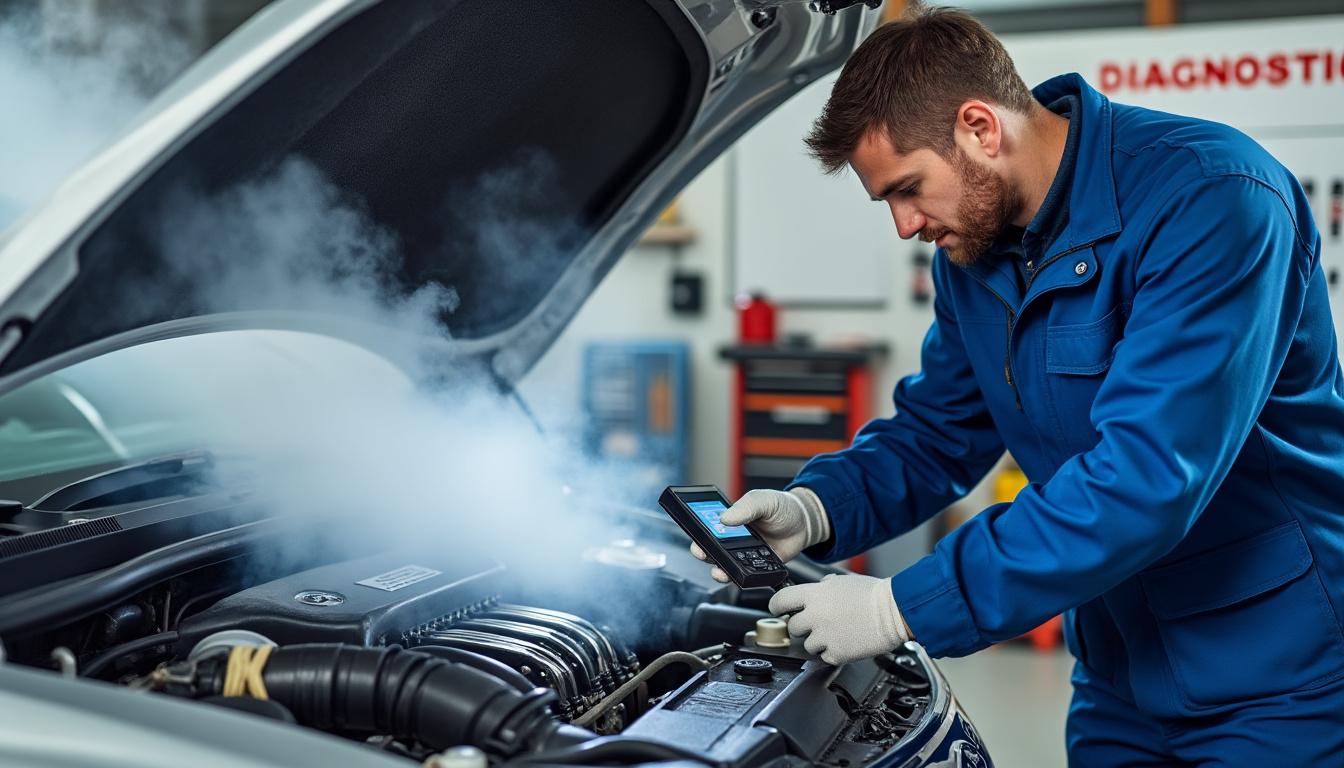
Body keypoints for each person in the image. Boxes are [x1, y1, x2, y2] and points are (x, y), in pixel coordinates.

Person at [692, 5, 1344, 764]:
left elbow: (1147, 475)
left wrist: (900, 605)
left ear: (979, 127)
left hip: (1279, 675)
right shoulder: (975, 251)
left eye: (908, 189)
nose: (904, 225)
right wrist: (815, 507)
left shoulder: (1212, 198)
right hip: (1118, 670)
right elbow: (938, 431)